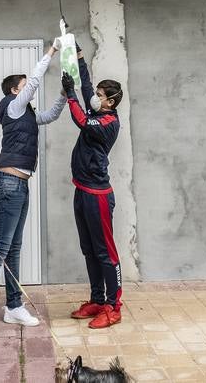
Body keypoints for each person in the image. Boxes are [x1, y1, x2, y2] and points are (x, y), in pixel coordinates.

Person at [0, 40, 65, 339]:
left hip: (21, 185)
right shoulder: (13, 107)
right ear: (16, 91)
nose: (28, 89)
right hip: (9, 183)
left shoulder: (26, 116)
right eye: (23, 86)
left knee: (14, 248)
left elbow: (49, 116)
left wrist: (64, 95)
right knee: (1, 247)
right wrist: (51, 52)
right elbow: (35, 80)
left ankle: (13, 306)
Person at [61, 45, 123, 329]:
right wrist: (80, 57)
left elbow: (82, 120)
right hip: (82, 190)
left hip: (98, 195)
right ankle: (98, 299)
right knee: (89, 249)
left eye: (99, 96)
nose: (94, 97)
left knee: (105, 251)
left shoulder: (107, 122)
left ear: (110, 102)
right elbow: (86, 85)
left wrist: (70, 94)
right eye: (96, 94)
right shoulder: (100, 109)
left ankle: (113, 306)